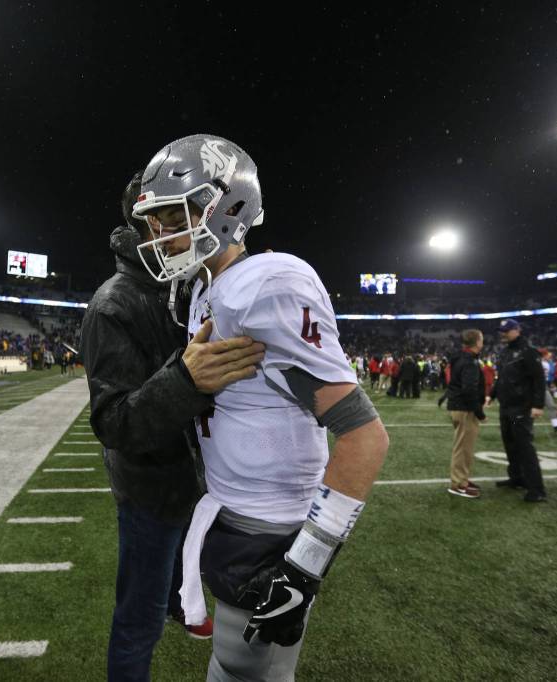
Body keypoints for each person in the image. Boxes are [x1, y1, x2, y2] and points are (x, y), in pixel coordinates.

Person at [132, 134, 389, 680]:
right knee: (246, 670)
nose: (161, 233)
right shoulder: (209, 287)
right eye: (155, 221)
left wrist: (305, 567)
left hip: (268, 526)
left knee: (245, 665)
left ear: (225, 209)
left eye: (172, 215)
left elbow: (365, 435)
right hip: (233, 509)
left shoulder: (266, 285)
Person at [82, 171, 267, 681]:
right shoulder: (112, 304)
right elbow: (114, 422)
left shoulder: (188, 282)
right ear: (154, 223)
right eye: (183, 215)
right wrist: (186, 378)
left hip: (194, 476)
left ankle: (179, 604)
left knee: (181, 563)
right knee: (137, 619)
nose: (204, 226)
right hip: (149, 484)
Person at [487, 319, 547, 502]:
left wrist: (538, 405)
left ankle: (537, 489)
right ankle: (517, 478)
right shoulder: (505, 352)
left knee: (524, 447)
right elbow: (501, 378)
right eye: (502, 331)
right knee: (510, 444)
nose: (503, 334)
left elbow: (539, 379)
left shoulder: (528, 352)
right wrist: (492, 394)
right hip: (506, 406)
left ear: (517, 330)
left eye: (506, 331)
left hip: (521, 406)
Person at [446, 330, 486, 498]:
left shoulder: (462, 358)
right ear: (477, 342)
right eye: (481, 339)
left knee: (465, 448)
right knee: (463, 448)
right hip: (465, 409)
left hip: (460, 406)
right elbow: (469, 389)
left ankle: (462, 479)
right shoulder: (469, 361)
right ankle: (458, 484)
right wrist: (479, 412)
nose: (482, 342)